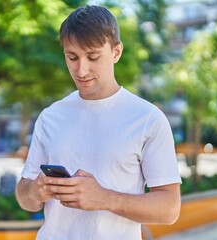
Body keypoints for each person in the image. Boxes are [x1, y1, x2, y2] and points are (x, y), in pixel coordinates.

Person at [16, 5, 181, 239]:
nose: (81, 70)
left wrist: (104, 198)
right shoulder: (50, 116)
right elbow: (25, 198)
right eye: (72, 57)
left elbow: (169, 209)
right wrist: (36, 190)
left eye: (93, 56)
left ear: (116, 52)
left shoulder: (147, 119)